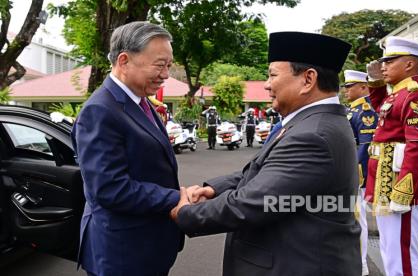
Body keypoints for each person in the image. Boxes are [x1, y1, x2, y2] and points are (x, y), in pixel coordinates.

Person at [170, 32, 361, 275]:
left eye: (272, 75)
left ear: (308, 80)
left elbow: (255, 202)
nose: (267, 84)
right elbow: (264, 171)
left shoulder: (313, 134)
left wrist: (188, 214)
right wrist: (214, 189)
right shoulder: (311, 123)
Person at [71, 22, 183, 276]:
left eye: (168, 65)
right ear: (124, 60)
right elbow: (110, 189)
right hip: (122, 254)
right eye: (160, 64)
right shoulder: (100, 110)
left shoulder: (141, 102)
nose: (166, 74)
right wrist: (177, 198)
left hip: (147, 246)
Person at [365, 36, 418, 276]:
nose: (383, 66)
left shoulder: (417, 95)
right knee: (390, 250)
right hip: (386, 183)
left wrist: (403, 192)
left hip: (401, 186)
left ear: (409, 64)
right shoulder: (397, 93)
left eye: (390, 60)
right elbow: (383, 111)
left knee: (401, 256)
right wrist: (375, 84)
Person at [343, 69, 378, 276]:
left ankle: (361, 263)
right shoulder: (352, 110)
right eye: (346, 86)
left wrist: (357, 176)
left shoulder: (365, 111)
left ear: (364, 87)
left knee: (357, 218)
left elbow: (365, 147)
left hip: (357, 174)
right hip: (348, 170)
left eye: (350, 86)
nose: (346, 90)